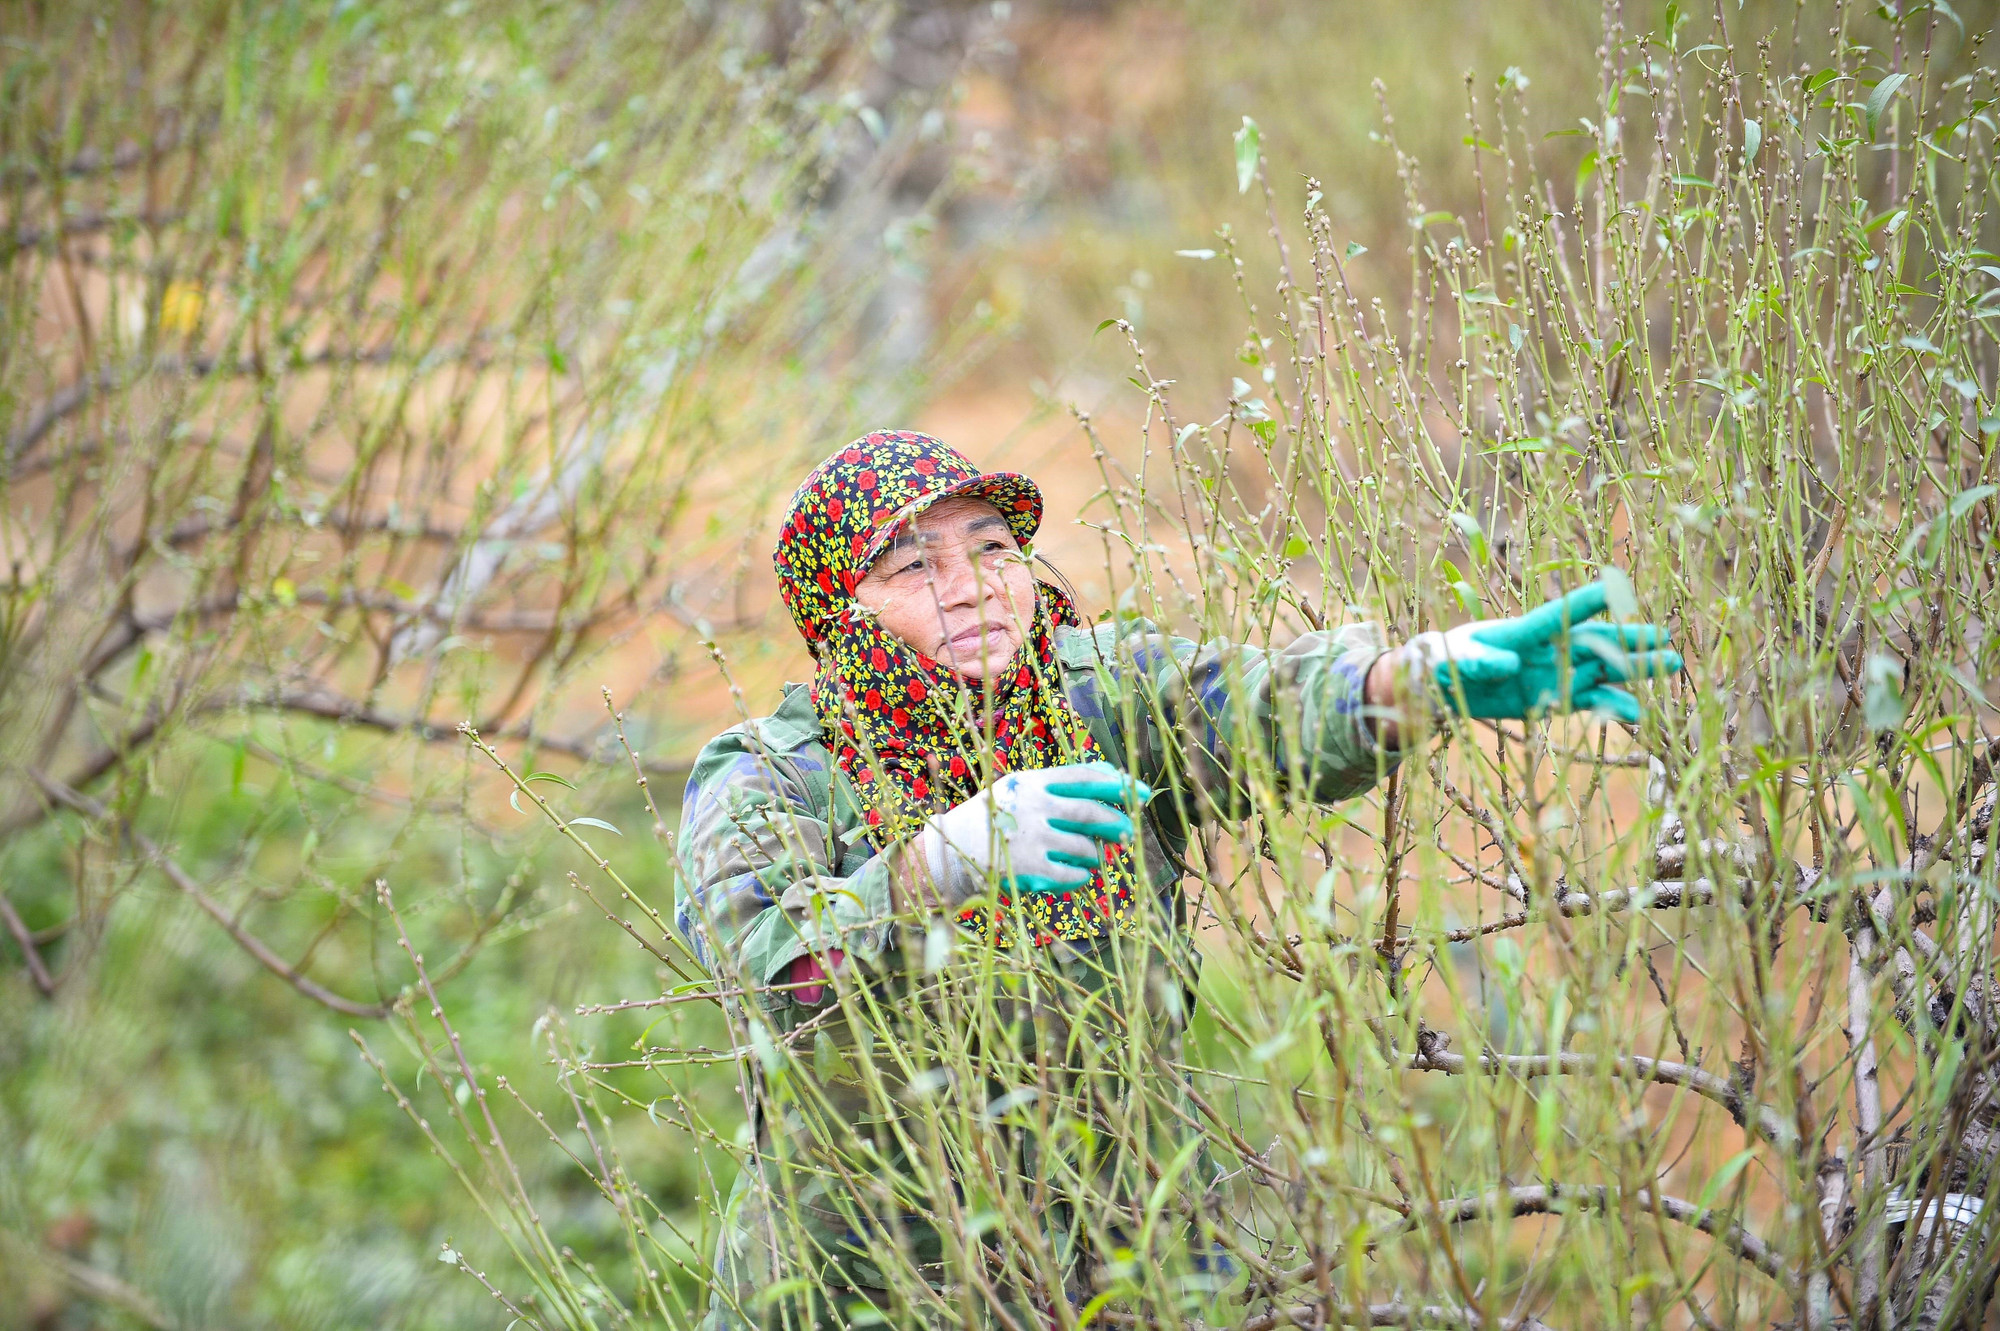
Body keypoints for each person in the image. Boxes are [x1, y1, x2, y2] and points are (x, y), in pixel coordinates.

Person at [675, 430, 1680, 1329]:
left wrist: (1406, 681)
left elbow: (1254, 710)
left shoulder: (1096, 692)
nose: (972, 582)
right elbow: (767, 958)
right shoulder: (773, 772)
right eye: (911, 564)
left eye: (990, 547)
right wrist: (933, 867)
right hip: (877, 1278)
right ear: (834, 610)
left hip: (1129, 1254)